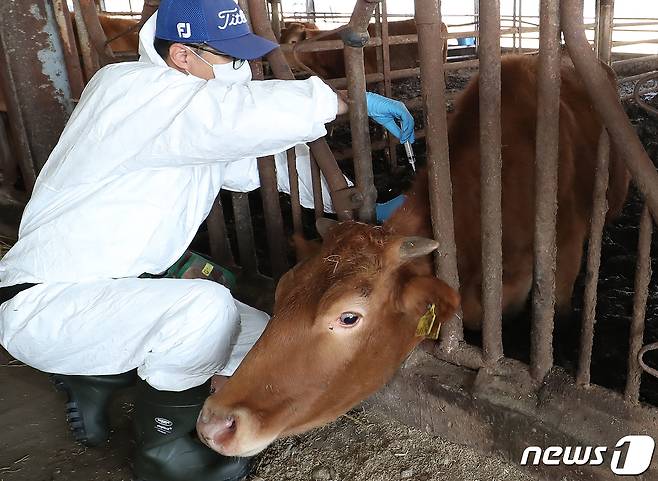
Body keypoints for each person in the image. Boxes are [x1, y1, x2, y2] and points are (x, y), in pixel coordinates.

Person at [0, 0, 415, 480]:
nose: (243, 70)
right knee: (203, 312)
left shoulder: (185, 118)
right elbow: (241, 118)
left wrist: (341, 194)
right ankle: (168, 454)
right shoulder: (137, 93)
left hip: (120, 293)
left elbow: (261, 161)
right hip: (46, 304)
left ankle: (94, 377)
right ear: (181, 56)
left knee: (264, 342)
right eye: (229, 58)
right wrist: (345, 100)